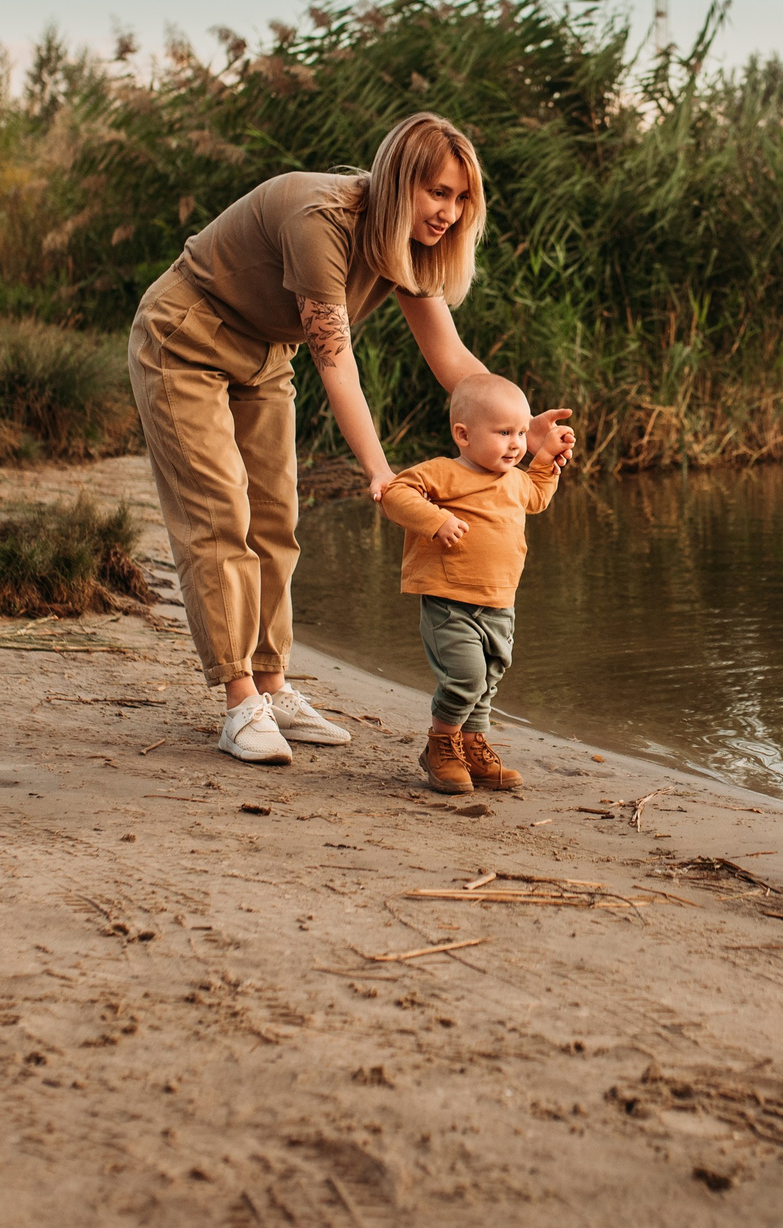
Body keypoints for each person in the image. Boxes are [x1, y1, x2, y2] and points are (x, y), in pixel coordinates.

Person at [126, 113, 572, 764]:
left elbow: (452, 360)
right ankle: (239, 699)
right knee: (220, 514)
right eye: (436, 192)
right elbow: (337, 366)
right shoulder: (321, 222)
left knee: (277, 518)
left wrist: (522, 425)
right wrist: (381, 471)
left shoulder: (411, 246)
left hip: (263, 350)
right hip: (186, 335)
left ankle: (273, 683)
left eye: (460, 197)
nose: (448, 211)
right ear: (398, 183)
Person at [377, 374, 571, 792]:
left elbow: (537, 495)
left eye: (520, 432)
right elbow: (396, 494)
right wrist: (436, 520)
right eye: (504, 432)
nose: (517, 442)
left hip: (501, 601)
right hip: (450, 599)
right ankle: (440, 746)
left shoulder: (516, 479)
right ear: (463, 435)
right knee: (465, 676)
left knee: (489, 678)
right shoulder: (444, 473)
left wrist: (547, 460)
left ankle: (471, 743)